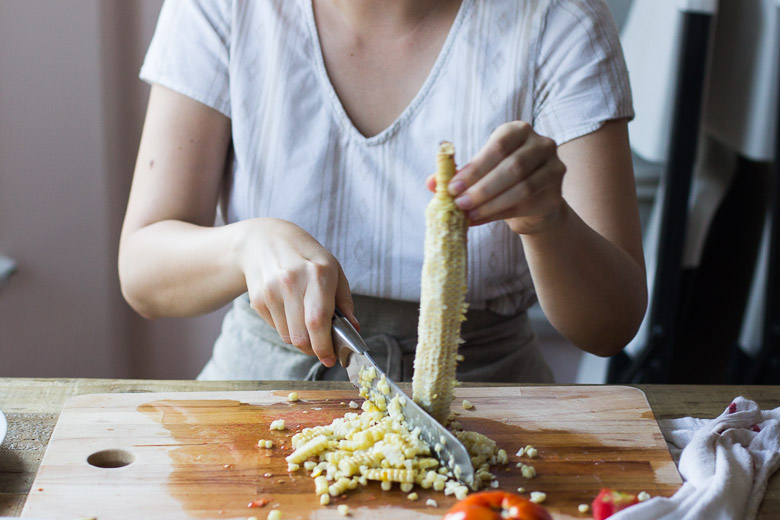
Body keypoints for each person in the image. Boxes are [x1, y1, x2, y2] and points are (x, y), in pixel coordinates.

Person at [118, 0, 647, 383]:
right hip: (258, 390)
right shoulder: (219, 9)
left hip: (492, 405)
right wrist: (244, 246)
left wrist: (546, 221)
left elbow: (609, 327)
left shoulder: (560, 21)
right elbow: (143, 273)